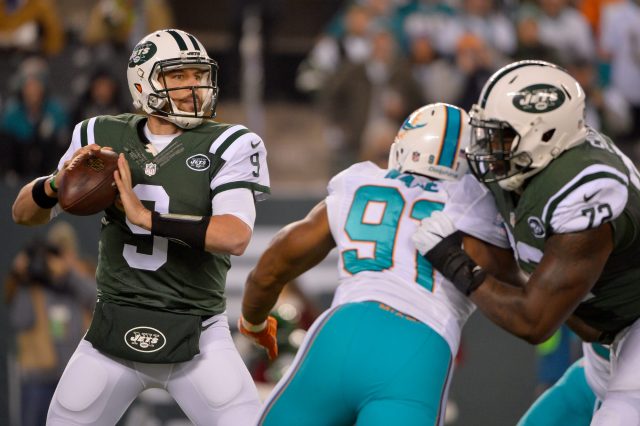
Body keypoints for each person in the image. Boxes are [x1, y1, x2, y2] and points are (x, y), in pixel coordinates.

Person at [11, 28, 269, 426]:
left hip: (197, 330)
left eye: (197, 74)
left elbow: (234, 236)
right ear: (141, 83)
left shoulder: (230, 143)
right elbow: (23, 213)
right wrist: (55, 184)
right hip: (114, 326)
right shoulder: (99, 134)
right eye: (177, 76)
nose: (192, 86)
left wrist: (145, 218)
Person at [239, 103, 510, 425]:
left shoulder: (360, 185)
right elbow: (523, 297)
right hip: (419, 347)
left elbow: (269, 271)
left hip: (341, 332)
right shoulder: (479, 206)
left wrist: (253, 323)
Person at [413, 60, 640, 425]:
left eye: (500, 136)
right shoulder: (520, 169)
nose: (487, 146)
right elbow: (502, 267)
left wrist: (459, 268)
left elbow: (534, 321)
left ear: (545, 135)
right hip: (605, 342)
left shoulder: (588, 190)